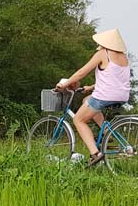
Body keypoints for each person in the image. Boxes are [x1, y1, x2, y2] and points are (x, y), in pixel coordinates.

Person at [56, 29, 131, 167]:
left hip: (105, 95)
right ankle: (107, 133)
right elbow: (113, 80)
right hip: (122, 95)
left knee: (78, 120)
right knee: (87, 101)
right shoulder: (124, 57)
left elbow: (81, 73)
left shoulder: (103, 54)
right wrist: (90, 87)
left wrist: (64, 84)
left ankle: (95, 154)